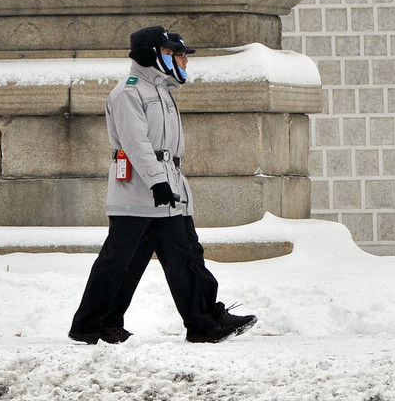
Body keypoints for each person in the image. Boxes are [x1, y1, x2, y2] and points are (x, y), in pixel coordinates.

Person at [69, 25, 257, 344]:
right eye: (173, 53)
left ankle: (203, 320)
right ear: (153, 54)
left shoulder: (161, 91)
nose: (181, 60)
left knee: (185, 254)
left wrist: (168, 183)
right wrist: (158, 181)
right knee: (119, 261)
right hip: (139, 191)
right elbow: (136, 143)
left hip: (166, 189)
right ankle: (90, 323)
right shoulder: (129, 91)